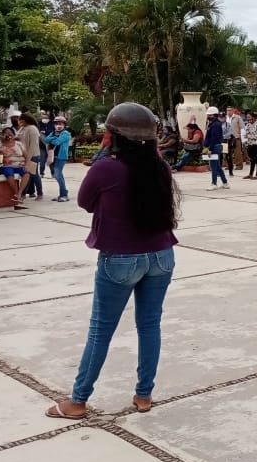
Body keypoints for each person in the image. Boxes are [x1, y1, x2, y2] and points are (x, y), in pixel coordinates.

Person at [45, 103, 179, 419]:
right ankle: (144, 395)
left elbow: (85, 202)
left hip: (120, 259)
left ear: (113, 135)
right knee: (150, 325)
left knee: (100, 331)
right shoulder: (159, 167)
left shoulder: (106, 168)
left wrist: (105, 155)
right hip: (161, 255)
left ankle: (77, 401)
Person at [0, 127, 27, 209]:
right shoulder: (0, 144)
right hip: (7, 165)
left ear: (13, 134)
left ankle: (19, 194)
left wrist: (27, 165)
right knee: (10, 175)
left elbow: (26, 155)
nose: (8, 134)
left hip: (19, 164)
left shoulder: (18, 144)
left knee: (27, 173)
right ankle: (17, 195)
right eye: (6, 133)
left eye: (10, 132)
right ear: (3, 135)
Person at [45, 115, 72, 202]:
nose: (58, 126)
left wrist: (53, 139)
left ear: (64, 125)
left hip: (61, 157)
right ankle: (63, 193)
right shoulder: (54, 133)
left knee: (57, 175)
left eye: (61, 124)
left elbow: (57, 142)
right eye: (56, 124)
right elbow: (46, 139)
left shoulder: (66, 134)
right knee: (59, 176)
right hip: (52, 157)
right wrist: (54, 137)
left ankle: (64, 195)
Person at [16, 112, 42, 201]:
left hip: (33, 155)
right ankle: (23, 193)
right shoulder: (22, 128)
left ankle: (40, 193)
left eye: (20, 120)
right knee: (26, 174)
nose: (19, 122)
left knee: (34, 175)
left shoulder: (32, 129)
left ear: (24, 120)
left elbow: (33, 146)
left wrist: (28, 159)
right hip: (23, 155)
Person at [203, 107, 230, 191]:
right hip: (215, 146)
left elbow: (213, 138)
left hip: (214, 146)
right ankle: (225, 183)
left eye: (209, 115)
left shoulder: (215, 125)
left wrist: (210, 149)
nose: (208, 116)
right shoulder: (213, 124)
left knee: (213, 166)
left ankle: (214, 183)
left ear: (214, 115)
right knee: (218, 166)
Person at [242, 112, 257, 179]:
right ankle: (250, 174)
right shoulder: (248, 125)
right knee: (252, 160)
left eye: (249, 117)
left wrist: (249, 136)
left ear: (254, 118)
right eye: (247, 117)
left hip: (256, 144)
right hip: (249, 144)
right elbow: (245, 132)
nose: (248, 118)